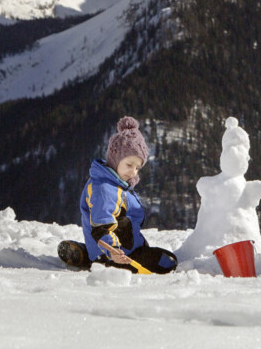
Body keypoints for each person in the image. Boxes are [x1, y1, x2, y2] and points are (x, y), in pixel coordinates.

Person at [57, 116, 178, 274]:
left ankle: (89, 255)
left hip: (124, 248)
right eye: (129, 165)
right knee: (167, 263)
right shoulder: (104, 189)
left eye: (137, 168)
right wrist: (113, 251)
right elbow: (102, 227)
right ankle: (100, 261)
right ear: (115, 159)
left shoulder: (118, 185)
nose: (133, 172)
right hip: (116, 255)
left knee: (166, 259)